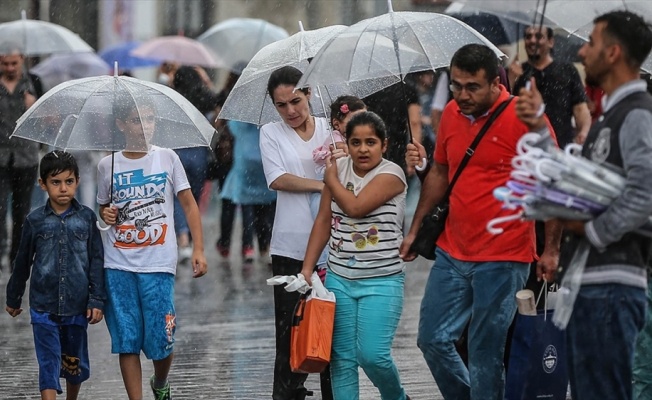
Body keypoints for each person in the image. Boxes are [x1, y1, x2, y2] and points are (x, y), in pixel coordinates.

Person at [399, 43, 560, 400]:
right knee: (432, 339)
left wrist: (551, 249)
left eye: (472, 87)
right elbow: (441, 170)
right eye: (456, 85)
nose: (462, 94)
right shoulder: (453, 114)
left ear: (495, 84)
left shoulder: (526, 119)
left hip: (505, 256)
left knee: (485, 351)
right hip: (453, 250)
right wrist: (414, 229)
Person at [516, 11, 652, 400]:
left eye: (591, 43)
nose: (582, 51)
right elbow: (573, 184)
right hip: (588, 284)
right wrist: (540, 129)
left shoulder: (638, 113)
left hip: (612, 285)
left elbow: (644, 194)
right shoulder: (610, 115)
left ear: (612, 53)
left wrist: (591, 231)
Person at [97, 93, 208, 400]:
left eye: (149, 119)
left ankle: (160, 382)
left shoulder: (168, 158)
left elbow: (189, 204)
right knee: (127, 339)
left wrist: (198, 248)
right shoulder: (108, 165)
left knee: (162, 337)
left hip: (158, 264)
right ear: (121, 124)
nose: (144, 126)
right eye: (136, 120)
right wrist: (105, 214)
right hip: (118, 264)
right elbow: (104, 210)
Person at [301, 111, 409, 400]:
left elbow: (355, 207)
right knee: (342, 360)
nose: (363, 149)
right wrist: (308, 268)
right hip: (340, 279)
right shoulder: (339, 171)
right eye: (356, 142)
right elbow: (324, 220)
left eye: (371, 142)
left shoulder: (391, 174)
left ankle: (397, 397)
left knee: (373, 356)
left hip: (383, 280)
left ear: (384, 145)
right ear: (346, 143)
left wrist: (330, 179)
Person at [259, 65, 336, 400]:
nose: (290, 110)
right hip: (290, 245)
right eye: (281, 105)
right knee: (290, 329)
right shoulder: (270, 133)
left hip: (335, 246)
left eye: (295, 101)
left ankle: (336, 392)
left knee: (333, 329)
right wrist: (324, 185)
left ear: (309, 94)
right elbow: (277, 178)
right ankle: (289, 393)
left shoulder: (332, 129)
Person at [5, 150, 105, 400]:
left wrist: (96, 300)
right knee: (48, 363)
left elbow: (96, 262)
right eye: (56, 182)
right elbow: (22, 261)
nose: (63, 189)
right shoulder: (35, 221)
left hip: (76, 306)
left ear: (78, 181)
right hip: (43, 307)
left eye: (69, 181)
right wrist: (14, 297)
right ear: (43, 184)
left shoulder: (87, 219)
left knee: (74, 363)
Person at [509, 25, 592, 148]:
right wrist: (511, 80)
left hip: (560, 146)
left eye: (538, 36)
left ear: (551, 42)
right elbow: (508, 108)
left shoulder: (567, 70)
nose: (532, 40)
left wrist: (584, 131)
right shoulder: (517, 72)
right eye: (528, 36)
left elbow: (580, 108)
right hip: (523, 145)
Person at [171, 66, 219, 262]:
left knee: (177, 197)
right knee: (194, 198)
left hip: (177, 152)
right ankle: (190, 235)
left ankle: (183, 240)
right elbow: (218, 107)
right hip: (198, 154)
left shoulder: (173, 98)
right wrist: (207, 81)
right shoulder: (203, 98)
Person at [0, 42, 38, 272]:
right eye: (5, 63)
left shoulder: (34, 83)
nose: (10, 68)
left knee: (22, 211)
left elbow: (49, 120)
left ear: (22, 59)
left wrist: (34, 107)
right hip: (1, 156)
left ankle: (18, 257)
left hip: (26, 156)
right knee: (0, 208)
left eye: (14, 63)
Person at [220, 119, 277, 264]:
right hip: (265, 164)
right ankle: (265, 246)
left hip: (244, 165)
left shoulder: (239, 120)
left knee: (247, 209)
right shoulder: (269, 120)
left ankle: (248, 246)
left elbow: (233, 129)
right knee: (266, 210)